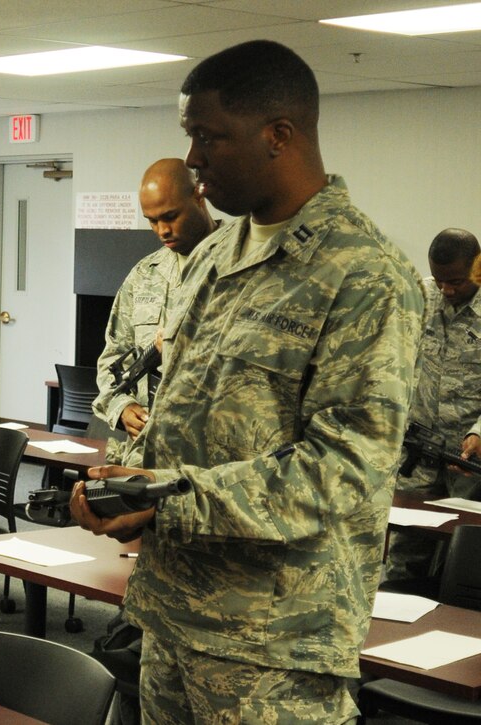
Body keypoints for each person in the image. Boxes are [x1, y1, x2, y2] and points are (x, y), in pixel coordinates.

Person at [70, 40, 424, 722]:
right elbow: (177, 414)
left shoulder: (364, 274)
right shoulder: (214, 257)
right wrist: (125, 487)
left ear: (279, 135)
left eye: (209, 137)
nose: (194, 159)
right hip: (173, 617)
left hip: (275, 645)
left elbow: (345, 467)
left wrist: (170, 498)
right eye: (190, 137)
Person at [92, 158, 217, 463]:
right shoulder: (145, 274)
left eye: (171, 217)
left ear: (199, 197)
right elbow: (113, 359)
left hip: (209, 460)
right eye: (151, 220)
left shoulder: (237, 267)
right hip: (145, 454)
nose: (162, 230)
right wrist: (120, 406)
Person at [386, 228, 481, 585]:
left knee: (465, 553)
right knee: (405, 546)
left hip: (469, 458)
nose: (447, 290)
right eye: (440, 281)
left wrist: (479, 433)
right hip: (418, 451)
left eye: (455, 281)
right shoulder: (420, 296)